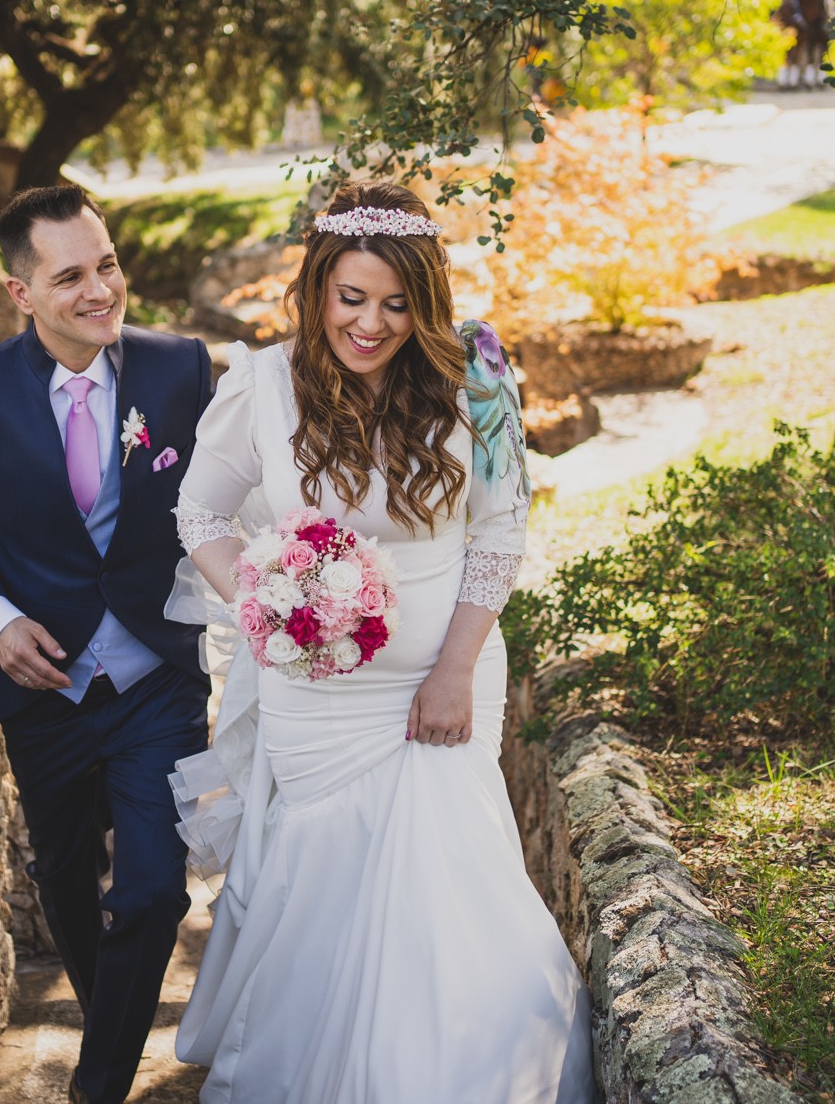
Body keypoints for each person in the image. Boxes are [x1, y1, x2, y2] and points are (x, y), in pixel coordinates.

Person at [166, 181, 595, 1103]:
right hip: (316, 698)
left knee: (452, 884)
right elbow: (199, 511)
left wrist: (454, 669)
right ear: (318, 286)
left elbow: (500, 531)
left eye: (397, 303)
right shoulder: (263, 384)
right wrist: (267, 599)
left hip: (446, 682)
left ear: (425, 300)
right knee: (326, 885)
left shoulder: (476, 376)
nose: (371, 324)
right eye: (351, 297)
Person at [0, 183, 215, 1104]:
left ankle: (96, 1086)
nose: (99, 289)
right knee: (68, 882)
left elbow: (231, 487)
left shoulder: (179, 368)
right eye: (70, 276)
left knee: (153, 890)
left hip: (157, 674)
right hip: (44, 690)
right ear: (21, 292)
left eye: (107, 265)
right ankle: (114, 1029)